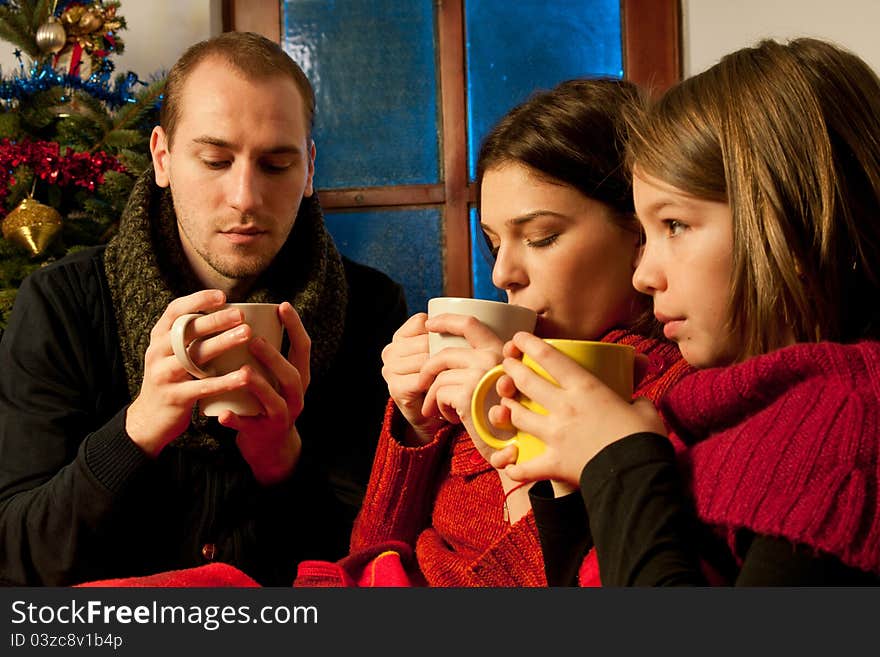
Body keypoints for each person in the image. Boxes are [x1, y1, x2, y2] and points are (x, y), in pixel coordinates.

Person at [0, 31, 407, 586]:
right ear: (162, 157)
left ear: (309, 169)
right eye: (216, 160)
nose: (244, 197)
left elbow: (380, 561)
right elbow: (18, 558)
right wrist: (138, 430)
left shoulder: (371, 309)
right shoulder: (61, 305)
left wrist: (280, 459)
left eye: (276, 165)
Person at [489, 38, 880, 585]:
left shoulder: (847, 427)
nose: (643, 275)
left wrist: (620, 464)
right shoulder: (708, 411)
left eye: (674, 225)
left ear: (790, 225)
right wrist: (572, 484)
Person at [294, 78, 692, 587]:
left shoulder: (665, 400)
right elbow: (367, 559)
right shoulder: (500, 361)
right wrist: (416, 429)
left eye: (541, 237)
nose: (503, 273)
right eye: (494, 243)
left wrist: (509, 441)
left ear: (640, 231)